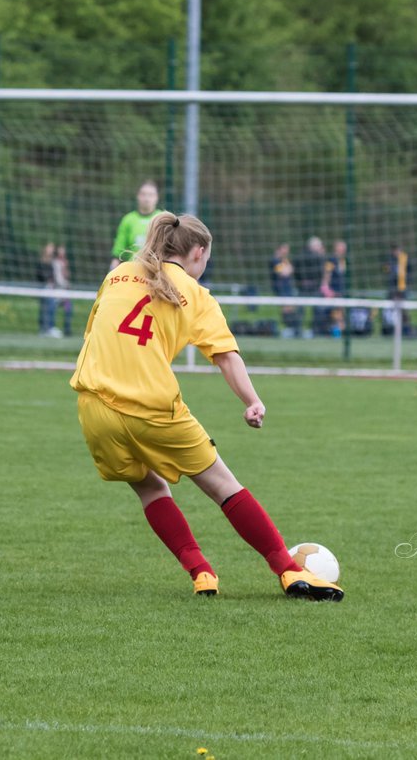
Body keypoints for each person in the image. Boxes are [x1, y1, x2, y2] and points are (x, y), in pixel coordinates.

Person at [70, 212, 344, 601]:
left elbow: (94, 332)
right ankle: (289, 569)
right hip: (152, 406)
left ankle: (201, 573)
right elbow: (227, 357)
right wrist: (252, 401)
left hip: (93, 404)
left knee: (149, 487)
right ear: (198, 253)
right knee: (222, 486)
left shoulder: (118, 274)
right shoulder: (196, 295)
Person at [109, 180, 162, 269]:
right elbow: (119, 247)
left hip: (156, 269)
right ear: (138, 196)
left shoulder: (162, 218)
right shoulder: (128, 219)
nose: (146, 198)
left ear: (157, 197)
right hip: (132, 269)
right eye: (143, 194)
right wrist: (113, 267)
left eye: (151, 195)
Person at [294, 236, 327, 337]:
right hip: (313, 287)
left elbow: (296, 272)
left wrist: (300, 282)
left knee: (300, 311)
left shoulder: (299, 256)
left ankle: (298, 330)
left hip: (302, 286)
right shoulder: (319, 257)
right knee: (317, 310)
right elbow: (321, 272)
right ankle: (315, 331)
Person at [269, 242, 300, 337]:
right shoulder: (275, 260)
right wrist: (288, 268)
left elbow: (290, 270)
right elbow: (283, 273)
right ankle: (286, 328)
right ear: (280, 249)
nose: (287, 251)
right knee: (285, 308)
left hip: (288, 288)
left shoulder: (285, 260)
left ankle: (292, 328)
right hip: (280, 288)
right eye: (285, 248)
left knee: (291, 308)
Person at [322, 240, 349, 337]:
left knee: (341, 313)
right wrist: (326, 288)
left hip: (340, 291)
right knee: (335, 314)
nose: (344, 249)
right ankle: (335, 333)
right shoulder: (331, 260)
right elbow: (327, 274)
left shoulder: (342, 260)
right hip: (333, 291)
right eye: (342, 247)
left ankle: (338, 332)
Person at [36, 242, 60, 337]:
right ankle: (45, 328)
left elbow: (52, 275)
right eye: (50, 248)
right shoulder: (41, 262)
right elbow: (40, 275)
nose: (51, 250)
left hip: (50, 288)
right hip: (42, 287)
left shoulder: (51, 262)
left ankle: (49, 327)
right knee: (46, 306)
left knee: (51, 305)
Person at [51, 244, 73, 336]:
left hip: (65, 293)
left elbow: (68, 276)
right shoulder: (55, 263)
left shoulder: (65, 262)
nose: (62, 253)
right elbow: (58, 278)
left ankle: (67, 329)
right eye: (61, 251)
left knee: (69, 309)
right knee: (52, 309)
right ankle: (51, 328)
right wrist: (66, 284)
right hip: (57, 292)